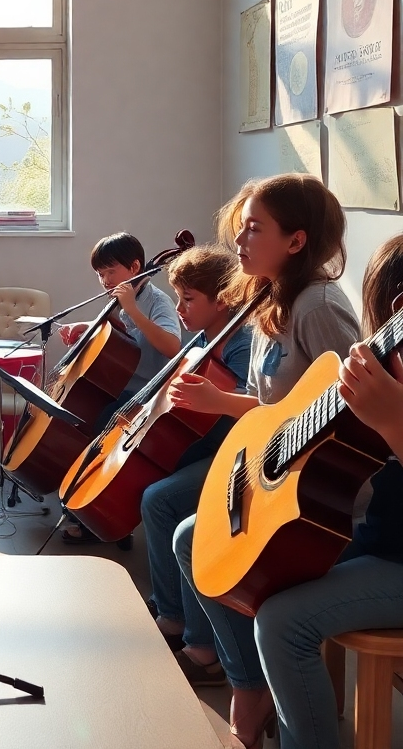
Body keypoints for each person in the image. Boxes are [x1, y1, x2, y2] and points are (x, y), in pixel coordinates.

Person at [169, 174, 359, 749]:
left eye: (254, 229)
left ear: (296, 241)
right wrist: (218, 402)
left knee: (189, 535)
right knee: (189, 540)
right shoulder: (268, 301)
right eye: (241, 228)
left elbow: (342, 409)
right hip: (275, 474)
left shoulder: (319, 305)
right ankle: (248, 684)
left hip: (322, 498)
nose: (240, 241)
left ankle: (255, 693)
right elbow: (281, 409)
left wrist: (221, 404)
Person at [248, 233, 403, 749]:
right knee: (264, 572)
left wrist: (394, 423)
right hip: (385, 544)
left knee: (282, 623)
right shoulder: (392, 371)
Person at [141, 245, 252, 663]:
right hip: (209, 444)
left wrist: (214, 397)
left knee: (161, 497)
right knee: (157, 489)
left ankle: (197, 637)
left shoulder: (242, 341)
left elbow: (239, 405)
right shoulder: (208, 336)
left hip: (236, 452)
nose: (180, 309)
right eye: (178, 297)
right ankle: (171, 611)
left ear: (221, 299)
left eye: (188, 299)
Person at [58, 231, 182, 543]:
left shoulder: (156, 300)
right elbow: (120, 336)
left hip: (144, 395)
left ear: (135, 266)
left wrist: (133, 309)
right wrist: (85, 328)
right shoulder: (122, 299)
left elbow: (172, 346)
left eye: (110, 271)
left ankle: (103, 517)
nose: (104, 280)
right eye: (100, 274)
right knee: (78, 421)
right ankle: (81, 505)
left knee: (99, 431)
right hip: (120, 388)